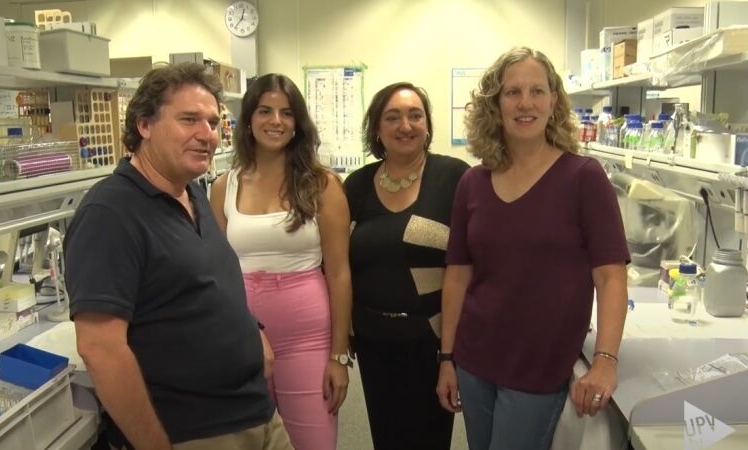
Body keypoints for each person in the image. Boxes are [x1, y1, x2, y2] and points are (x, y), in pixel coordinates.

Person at [65, 63, 293, 450]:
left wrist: (252, 330)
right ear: (144, 125)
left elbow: (207, 280)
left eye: (212, 122)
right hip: (196, 431)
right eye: (189, 120)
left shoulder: (191, 193)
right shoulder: (110, 213)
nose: (206, 135)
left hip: (256, 412)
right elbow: (100, 349)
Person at [436, 47, 630, 450]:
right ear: (496, 104)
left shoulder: (583, 178)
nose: (525, 103)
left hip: (539, 367)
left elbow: (611, 277)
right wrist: (447, 358)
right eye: (513, 92)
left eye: (537, 91)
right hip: (474, 359)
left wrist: (605, 361)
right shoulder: (473, 183)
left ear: (553, 101)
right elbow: (457, 276)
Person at [209, 73, 352, 450]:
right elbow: (217, 272)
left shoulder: (322, 184)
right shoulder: (224, 186)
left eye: (287, 113)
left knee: (313, 441)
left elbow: (339, 273)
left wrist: (339, 356)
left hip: (307, 337)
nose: (276, 121)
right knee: (250, 441)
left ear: (298, 122)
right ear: (248, 119)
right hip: (242, 335)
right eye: (265, 111)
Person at [344, 82, 470, 450]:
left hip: (430, 341)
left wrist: (450, 355)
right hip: (372, 340)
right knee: (386, 438)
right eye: (393, 117)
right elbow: (340, 264)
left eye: (416, 115)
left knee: (429, 439)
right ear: (376, 128)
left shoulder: (454, 177)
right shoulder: (356, 185)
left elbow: (467, 266)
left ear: (427, 125)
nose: (405, 126)